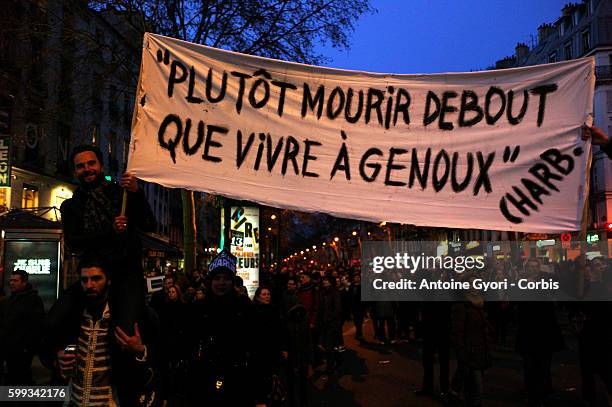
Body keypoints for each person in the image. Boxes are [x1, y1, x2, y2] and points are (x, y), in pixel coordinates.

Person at [51, 144, 156, 336]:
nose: (87, 169)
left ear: (101, 166)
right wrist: (110, 231)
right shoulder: (71, 206)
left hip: (125, 277)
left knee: (126, 329)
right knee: (57, 320)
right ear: (75, 171)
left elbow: (149, 224)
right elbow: (74, 242)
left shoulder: (121, 194)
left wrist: (136, 192)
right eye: (81, 166)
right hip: (92, 279)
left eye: (91, 163)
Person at [48, 256, 159, 406]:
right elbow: (67, 344)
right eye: (84, 280)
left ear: (108, 280)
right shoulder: (73, 315)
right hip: (74, 400)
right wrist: (61, 357)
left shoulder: (125, 318)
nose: (89, 285)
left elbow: (157, 358)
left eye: (96, 278)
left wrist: (139, 350)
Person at [187, 249, 267, 407]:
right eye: (217, 278)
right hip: (205, 378)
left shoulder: (245, 307)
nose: (221, 283)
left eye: (226, 279)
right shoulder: (199, 308)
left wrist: (258, 391)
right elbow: (190, 341)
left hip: (238, 379)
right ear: (210, 281)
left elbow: (256, 344)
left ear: (232, 281)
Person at [0, 269, 44, 385]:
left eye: (15, 280)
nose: (12, 283)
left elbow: (37, 326)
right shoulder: (9, 300)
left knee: (20, 379)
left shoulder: (33, 300)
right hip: (9, 348)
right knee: (13, 378)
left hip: (22, 350)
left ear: (24, 282)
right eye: (11, 280)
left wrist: (28, 348)